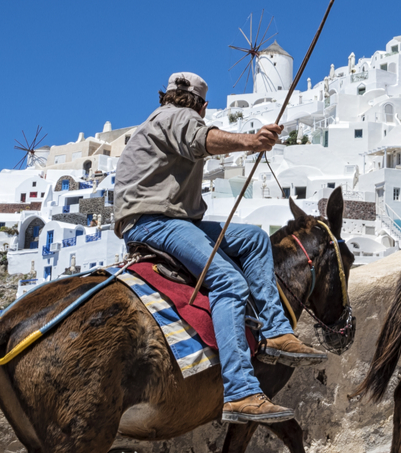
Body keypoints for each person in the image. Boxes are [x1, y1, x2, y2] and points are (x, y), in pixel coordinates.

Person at [113, 72, 328, 424]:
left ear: (166, 94)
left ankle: (276, 333)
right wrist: (252, 141)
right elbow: (204, 140)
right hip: (156, 222)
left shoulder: (158, 120)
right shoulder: (177, 117)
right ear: (202, 105)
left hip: (173, 220)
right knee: (229, 282)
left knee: (255, 238)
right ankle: (241, 391)